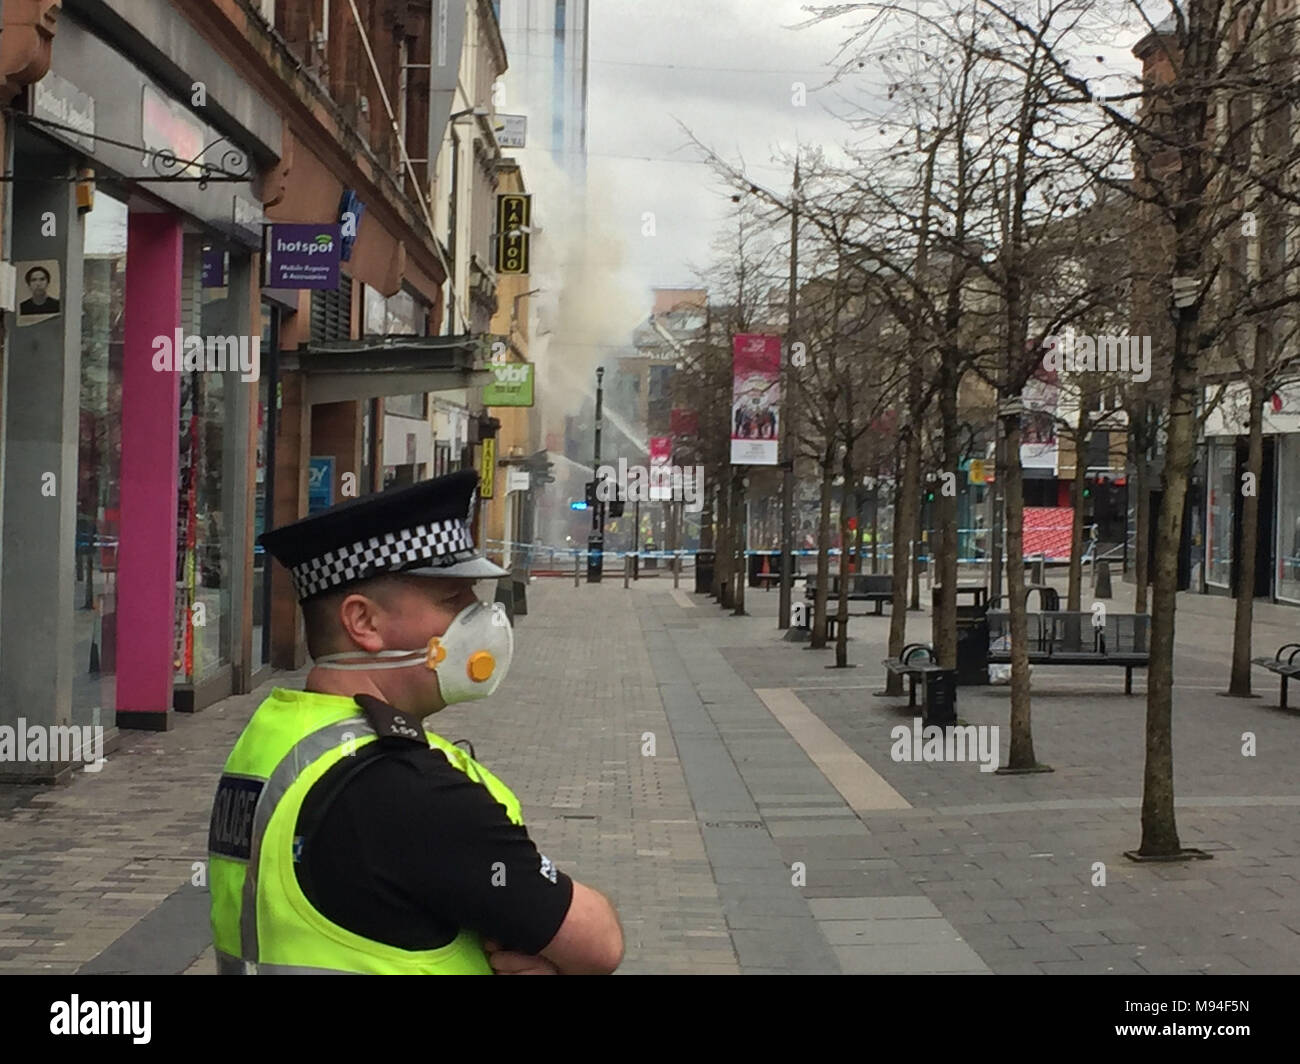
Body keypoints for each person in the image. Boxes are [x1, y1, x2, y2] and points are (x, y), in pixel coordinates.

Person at [208, 470, 624, 975]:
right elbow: (597, 942)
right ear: (363, 623)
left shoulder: (275, 740)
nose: (480, 618)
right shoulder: (409, 791)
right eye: (452, 600)